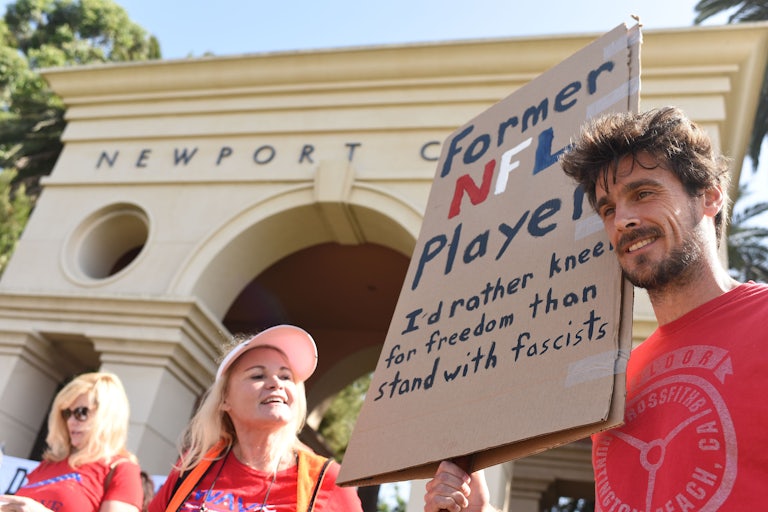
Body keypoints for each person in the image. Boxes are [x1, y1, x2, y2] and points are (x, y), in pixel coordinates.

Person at [423, 106, 768, 511]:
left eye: (643, 193)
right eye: (608, 209)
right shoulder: (611, 382)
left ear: (709, 196)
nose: (622, 220)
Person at [148, 324, 363, 512]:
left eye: (286, 376)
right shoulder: (193, 466)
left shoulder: (327, 480)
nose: (276, 383)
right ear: (225, 399)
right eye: (257, 375)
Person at [0, 372, 144, 512]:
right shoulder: (48, 464)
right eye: (66, 413)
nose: (70, 421)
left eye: (81, 412)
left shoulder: (122, 469)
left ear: (107, 416)